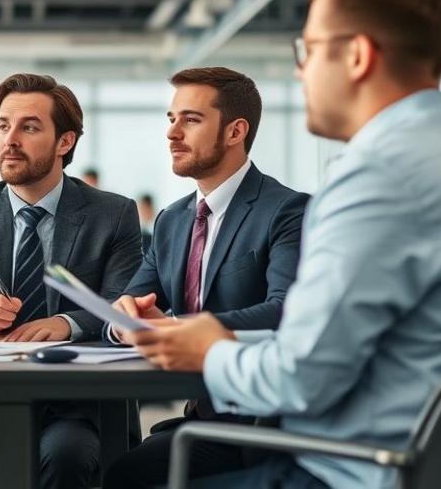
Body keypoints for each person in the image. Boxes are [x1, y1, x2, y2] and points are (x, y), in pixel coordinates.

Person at [121, 0, 441, 489]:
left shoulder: (377, 180)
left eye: (309, 49)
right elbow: (343, 346)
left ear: (355, 56)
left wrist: (211, 349)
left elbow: (300, 379)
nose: (301, 70)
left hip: (346, 470)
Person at [0, 73, 143, 489]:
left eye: (29, 127)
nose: (10, 139)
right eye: (3, 125)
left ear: (65, 142)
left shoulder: (113, 214)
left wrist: (69, 323)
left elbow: (123, 303)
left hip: (76, 405)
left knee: (67, 456)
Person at [102, 67, 308, 488]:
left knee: (125, 473)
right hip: (200, 416)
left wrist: (178, 328)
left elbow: (285, 311)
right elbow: (130, 304)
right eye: (171, 119)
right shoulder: (172, 221)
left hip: (260, 425)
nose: (173, 133)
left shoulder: (287, 211)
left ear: (235, 132)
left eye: (191, 120)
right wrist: (124, 321)